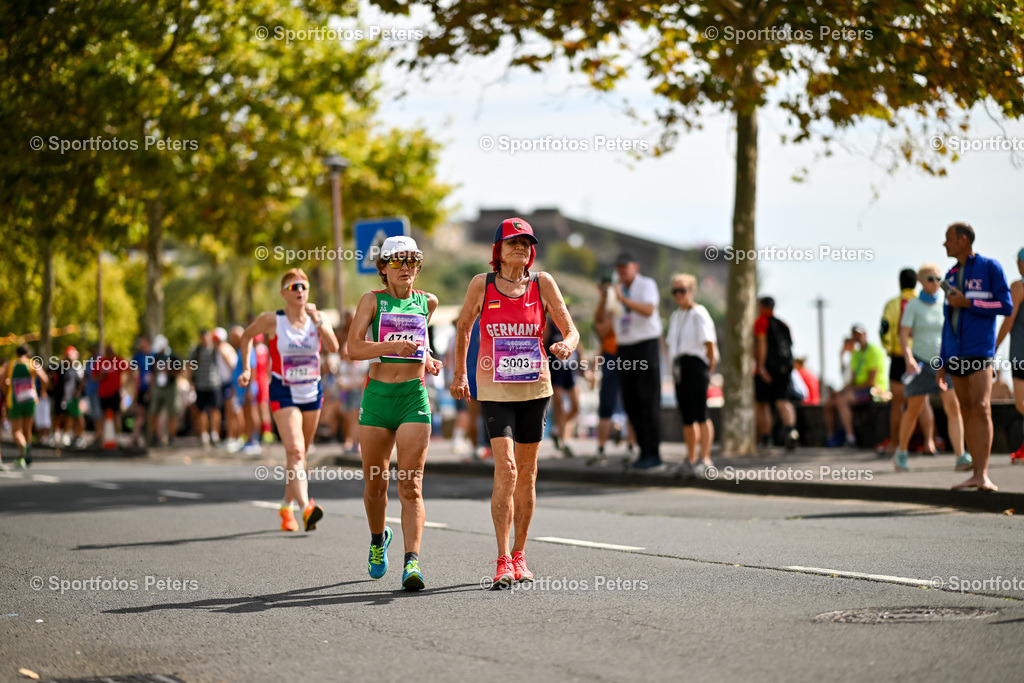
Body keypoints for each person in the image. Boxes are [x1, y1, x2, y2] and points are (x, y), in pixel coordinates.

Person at [451, 218, 578, 588]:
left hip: (535, 389)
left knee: (527, 472)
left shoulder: (542, 283)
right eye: (513, 242)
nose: (521, 247)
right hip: (494, 389)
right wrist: (460, 375)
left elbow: (571, 330)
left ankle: (520, 554)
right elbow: (464, 327)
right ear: (499, 250)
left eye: (526, 242)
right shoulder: (482, 284)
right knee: (506, 469)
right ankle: (502, 558)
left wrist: (566, 345)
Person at [348, 236, 442, 591]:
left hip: (412, 398)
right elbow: (353, 348)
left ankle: (411, 562)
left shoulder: (427, 302)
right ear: (383, 268)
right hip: (377, 399)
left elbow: (420, 341)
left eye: (412, 261)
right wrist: (391, 346)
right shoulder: (371, 301)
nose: (405, 267)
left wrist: (428, 358)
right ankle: (378, 539)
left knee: (411, 485)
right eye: (397, 261)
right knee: (376, 484)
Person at [239, 268, 340, 530]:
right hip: (283, 392)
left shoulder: (318, 317)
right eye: (294, 287)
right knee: (295, 451)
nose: (300, 291)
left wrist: (318, 321)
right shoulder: (272, 319)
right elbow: (246, 336)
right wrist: (247, 369)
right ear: (284, 293)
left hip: (312, 391)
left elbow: (334, 347)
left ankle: (286, 508)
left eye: (304, 286)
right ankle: (306, 507)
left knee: (300, 455)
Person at [937, 223, 1012, 490]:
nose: (944, 244)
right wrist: (942, 360)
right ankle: (975, 474)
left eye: (948, 239)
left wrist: (969, 303)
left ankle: (983, 473)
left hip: (979, 349)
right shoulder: (950, 274)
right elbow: (947, 322)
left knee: (981, 407)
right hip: (955, 353)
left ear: (963, 240)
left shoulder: (990, 267)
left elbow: (1006, 306)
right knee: (966, 410)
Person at [892, 263, 969, 472]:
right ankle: (901, 452)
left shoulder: (945, 302)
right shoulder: (913, 305)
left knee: (953, 407)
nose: (935, 283)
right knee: (913, 409)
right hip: (920, 362)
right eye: (930, 279)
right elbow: (903, 334)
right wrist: (908, 358)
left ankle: (961, 455)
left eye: (938, 279)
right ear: (920, 281)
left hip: (943, 362)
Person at [610, 252, 663, 469]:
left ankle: (653, 453)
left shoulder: (646, 284)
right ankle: (643, 452)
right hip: (625, 347)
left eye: (626, 266)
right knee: (631, 403)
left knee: (648, 401)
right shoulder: (617, 289)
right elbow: (608, 318)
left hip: (645, 346)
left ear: (636, 267)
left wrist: (623, 299)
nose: (622, 270)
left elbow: (649, 310)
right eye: (619, 267)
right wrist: (608, 297)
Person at [666, 273, 718, 476]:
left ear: (691, 291)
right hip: (680, 366)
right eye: (675, 291)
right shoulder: (675, 316)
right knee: (687, 415)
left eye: (682, 290)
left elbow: (709, 343)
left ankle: (705, 457)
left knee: (701, 413)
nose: (679, 295)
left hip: (696, 364)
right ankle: (691, 457)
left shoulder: (699, 313)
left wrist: (709, 369)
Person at [879, 268, 933, 456]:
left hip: (898, 356)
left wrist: (888, 348)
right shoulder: (922, 303)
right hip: (920, 356)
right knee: (923, 402)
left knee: (897, 404)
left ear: (899, 282)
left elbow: (884, 330)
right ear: (917, 282)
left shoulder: (892, 304)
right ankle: (929, 443)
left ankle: (895, 443)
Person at [591, 276, 635, 464]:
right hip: (611, 356)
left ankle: (631, 447)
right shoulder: (608, 306)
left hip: (627, 354)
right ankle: (601, 449)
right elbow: (600, 328)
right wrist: (605, 300)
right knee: (606, 404)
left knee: (631, 403)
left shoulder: (627, 302)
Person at [824, 325, 888, 446]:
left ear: (865, 334)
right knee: (830, 404)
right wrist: (840, 391)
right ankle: (831, 438)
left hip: (875, 390)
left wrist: (848, 391)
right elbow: (852, 381)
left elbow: (870, 381)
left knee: (842, 400)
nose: (857, 337)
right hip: (859, 389)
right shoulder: (856, 354)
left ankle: (850, 437)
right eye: (854, 335)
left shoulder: (873, 351)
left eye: (859, 334)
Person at [753, 296, 799, 449]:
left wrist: (761, 366)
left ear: (761, 306)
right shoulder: (783, 324)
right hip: (785, 368)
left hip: (767, 368)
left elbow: (761, 344)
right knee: (783, 400)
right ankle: (791, 430)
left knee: (762, 404)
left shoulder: (761, 322)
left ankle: (766, 438)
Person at [995, 246, 1024, 463]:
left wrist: (993, 347)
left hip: (1021, 354)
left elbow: (1009, 320)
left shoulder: (1018, 286)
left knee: (1021, 403)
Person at [3, 346, 49, 467]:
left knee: (16, 431)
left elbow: (2, 381)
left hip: (15, 400)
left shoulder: (11, 364)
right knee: (27, 429)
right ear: (27, 353)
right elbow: (44, 378)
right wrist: (43, 391)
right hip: (30, 400)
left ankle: (23, 447)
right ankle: (25, 456)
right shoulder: (32, 363)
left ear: (16, 353)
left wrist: (7, 391)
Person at [545, 314, 579, 457]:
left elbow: (578, 346)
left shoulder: (570, 325)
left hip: (569, 370)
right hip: (555, 370)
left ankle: (558, 429)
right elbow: (543, 344)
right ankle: (564, 439)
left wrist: (585, 369)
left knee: (575, 406)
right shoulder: (549, 326)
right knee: (559, 405)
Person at [188, 330, 223, 448]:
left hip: (214, 384)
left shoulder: (215, 349)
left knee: (215, 410)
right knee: (201, 410)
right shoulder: (196, 350)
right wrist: (190, 382)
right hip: (200, 385)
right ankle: (204, 435)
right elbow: (189, 366)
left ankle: (215, 434)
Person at [148, 335, 181, 446]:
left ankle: (171, 436)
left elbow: (179, 371)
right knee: (154, 411)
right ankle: (154, 436)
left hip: (170, 387)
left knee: (172, 412)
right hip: (158, 387)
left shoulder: (173, 357)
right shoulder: (155, 357)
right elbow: (152, 374)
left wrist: (169, 370)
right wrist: (150, 389)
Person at [53, 346, 85, 448]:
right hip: (69, 397)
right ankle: (75, 435)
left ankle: (80, 436)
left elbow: (82, 380)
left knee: (78, 416)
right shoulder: (67, 368)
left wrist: (78, 391)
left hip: (76, 397)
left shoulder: (77, 367)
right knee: (72, 416)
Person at [92, 345, 124, 447]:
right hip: (103, 393)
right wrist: (100, 376)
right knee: (103, 415)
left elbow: (129, 371)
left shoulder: (118, 360)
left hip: (115, 392)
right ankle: (102, 436)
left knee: (116, 415)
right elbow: (93, 377)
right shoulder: (100, 362)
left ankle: (117, 437)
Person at [131, 336, 154, 448]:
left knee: (152, 414)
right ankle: (135, 437)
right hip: (141, 389)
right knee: (140, 413)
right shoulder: (138, 356)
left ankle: (151, 437)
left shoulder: (154, 356)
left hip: (153, 389)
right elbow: (133, 371)